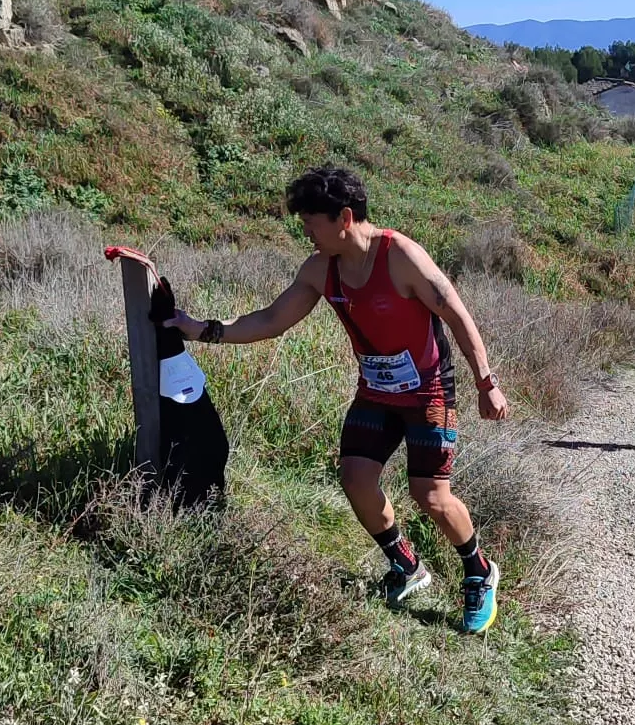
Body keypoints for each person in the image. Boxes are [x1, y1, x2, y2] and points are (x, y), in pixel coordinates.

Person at [163, 165, 510, 634]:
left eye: (312, 223)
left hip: (428, 390)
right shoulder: (320, 269)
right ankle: (407, 567)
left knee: (429, 494)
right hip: (376, 392)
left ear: (344, 217)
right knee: (355, 477)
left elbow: (455, 312)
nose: (306, 232)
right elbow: (270, 319)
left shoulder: (400, 256)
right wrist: (202, 330)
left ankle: (478, 571)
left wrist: (485, 380)